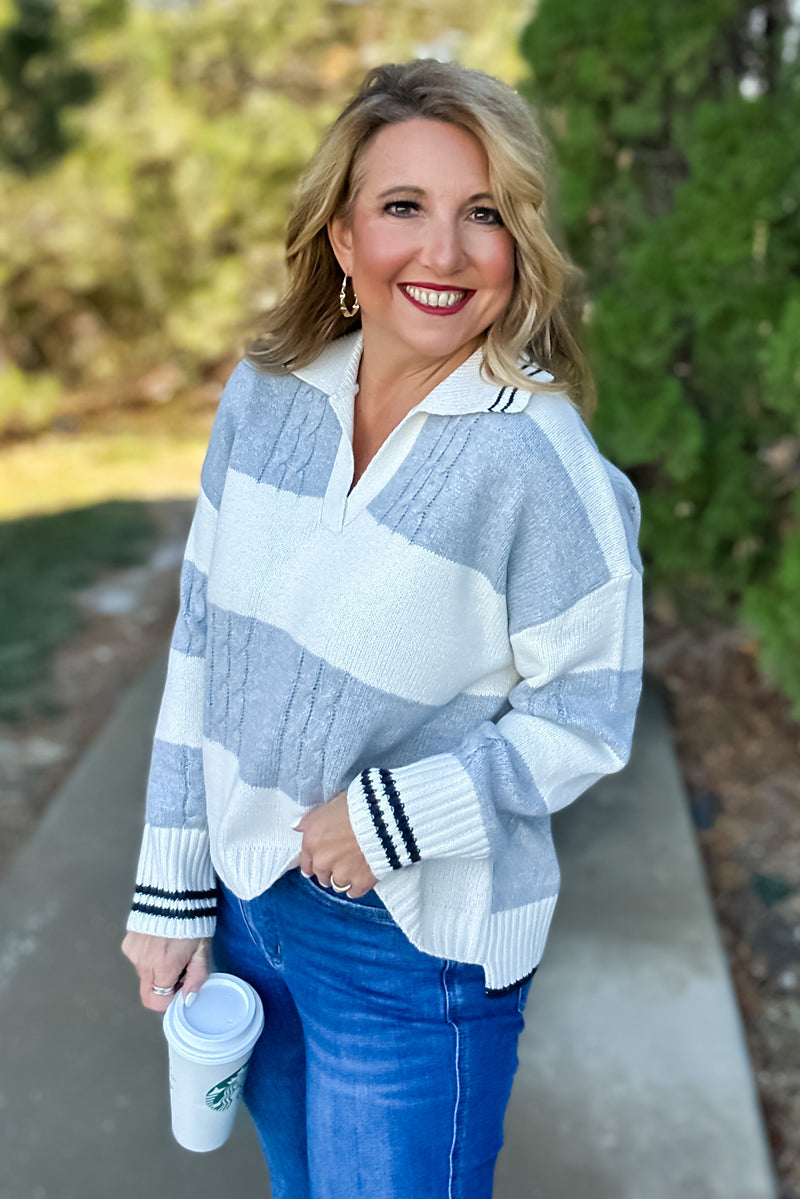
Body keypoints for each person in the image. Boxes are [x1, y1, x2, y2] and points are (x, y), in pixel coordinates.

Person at [122, 58, 643, 1199]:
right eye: (402, 207)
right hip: (248, 907)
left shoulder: (541, 465)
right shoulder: (268, 392)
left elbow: (585, 716)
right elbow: (204, 636)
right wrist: (172, 885)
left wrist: (391, 816)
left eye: (483, 214)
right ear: (344, 237)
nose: (443, 253)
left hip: (409, 950)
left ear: (520, 246)